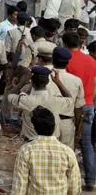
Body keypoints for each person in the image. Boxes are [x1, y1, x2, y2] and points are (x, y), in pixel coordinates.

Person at [11, 106, 81, 195]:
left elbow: (19, 189)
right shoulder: (67, 152)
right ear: (54, 126)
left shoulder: (26, 150)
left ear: (34, 128)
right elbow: (74, 188)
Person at [63, 32, 96, 191]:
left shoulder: (66, 60)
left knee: (68, 142)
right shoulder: (91, 60)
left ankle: (67, 178)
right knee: (86, 144)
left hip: (72, 105)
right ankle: (91, 180)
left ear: (65, 44)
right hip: (89, 104)